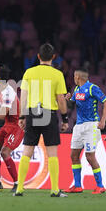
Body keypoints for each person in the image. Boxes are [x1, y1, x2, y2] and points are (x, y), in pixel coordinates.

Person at [15, 43, 69, 197]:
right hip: (48, 114)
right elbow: (61, 99)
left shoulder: (29, 73)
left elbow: (23, 96)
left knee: (27, 151)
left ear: (38, 57)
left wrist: (22, 116)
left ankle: (19, 188)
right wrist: (65, 118)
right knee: (52, 153)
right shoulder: (57, 74)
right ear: (53, 57)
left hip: (32, 113)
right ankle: (54, 190)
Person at [65, 68, 106, 194]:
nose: (73, 78)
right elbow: (71, 105)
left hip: (91, 126)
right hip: (78, 126)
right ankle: (78, 185)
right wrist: (67, 99)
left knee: (89, 156)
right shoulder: (77, 90)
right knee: (73, 155)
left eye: (74, 76)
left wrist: (103, 120)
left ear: (78, 77)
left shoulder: (92, 88)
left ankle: (100, 185)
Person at [0, 71, 22, 192]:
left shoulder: (8, 93)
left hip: (17, 127)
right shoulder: (0, 89)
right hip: (7, 125)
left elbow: (2, 115)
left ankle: (17, 184)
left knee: (5, 152)